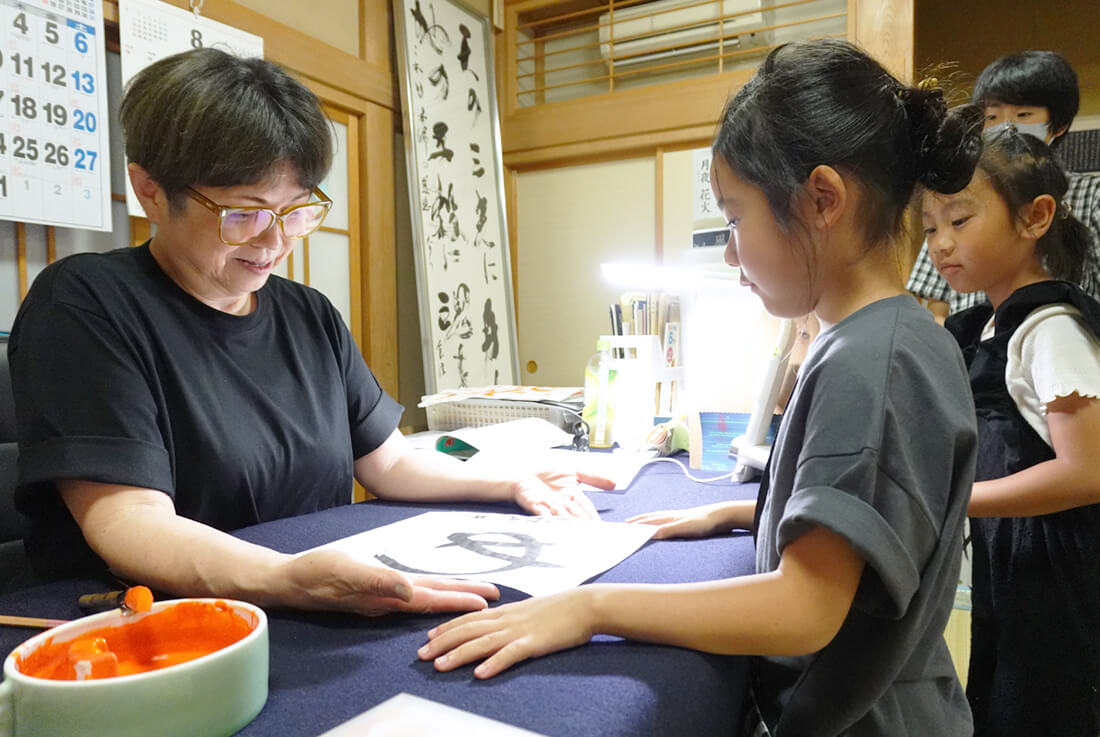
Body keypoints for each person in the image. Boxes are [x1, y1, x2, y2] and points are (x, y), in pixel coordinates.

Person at [419, 39, 981, 736]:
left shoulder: (875, 359)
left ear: (822, 200)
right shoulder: (888, 338)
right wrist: (732, 515)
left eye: (735, 217)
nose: (731, 251)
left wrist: (591, 608)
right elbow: (868, 525)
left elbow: (803, 608)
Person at [8, 48, 613, 613]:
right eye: (244, 213)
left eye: (296, 211)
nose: (275, 243)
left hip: (313, 595)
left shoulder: (307, 314)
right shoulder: (87, 304)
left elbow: (390, 464)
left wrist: (512, 480)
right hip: (159, 623)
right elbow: (129, 522)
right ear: (151, 192)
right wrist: (285, 579)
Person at [924, 128, 1100, 736]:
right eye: (929, 227)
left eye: (960, 220)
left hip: (1055, 565)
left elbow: (1087, 472)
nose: (941, 244)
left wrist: (956, 502)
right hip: (1011, 556)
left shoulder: (1049, 327)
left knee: (1045, 705)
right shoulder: (988, 327)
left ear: (1036, 217)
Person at [907, 50, 1100, 321]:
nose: (1008, 127)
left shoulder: (1092, 196)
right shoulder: (959, 193)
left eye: (1023, 114)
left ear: (1059, 125)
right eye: (993, 118)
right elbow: (935, 308)